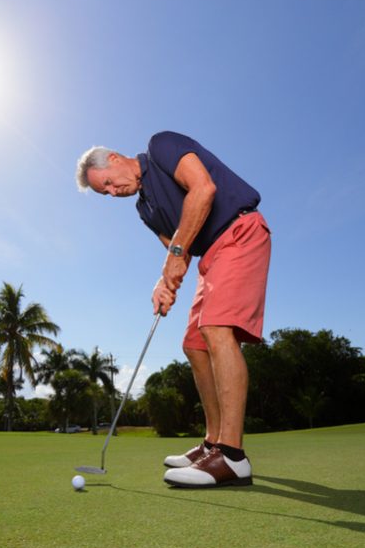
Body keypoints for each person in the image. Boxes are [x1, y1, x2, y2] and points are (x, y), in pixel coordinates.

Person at [76, 131, 271, 488]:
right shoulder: (143, 209)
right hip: (210, 256)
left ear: (115, 159)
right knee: (194, 345)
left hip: (239, 231)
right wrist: (163, 283)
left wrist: (177, 258)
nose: (112, 192)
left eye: (108, 183)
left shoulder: (160, 146)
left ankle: (232, 455)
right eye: (105, 193)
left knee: (215, 330)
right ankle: (213, 443)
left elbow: (203, 190)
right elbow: (178, 249)